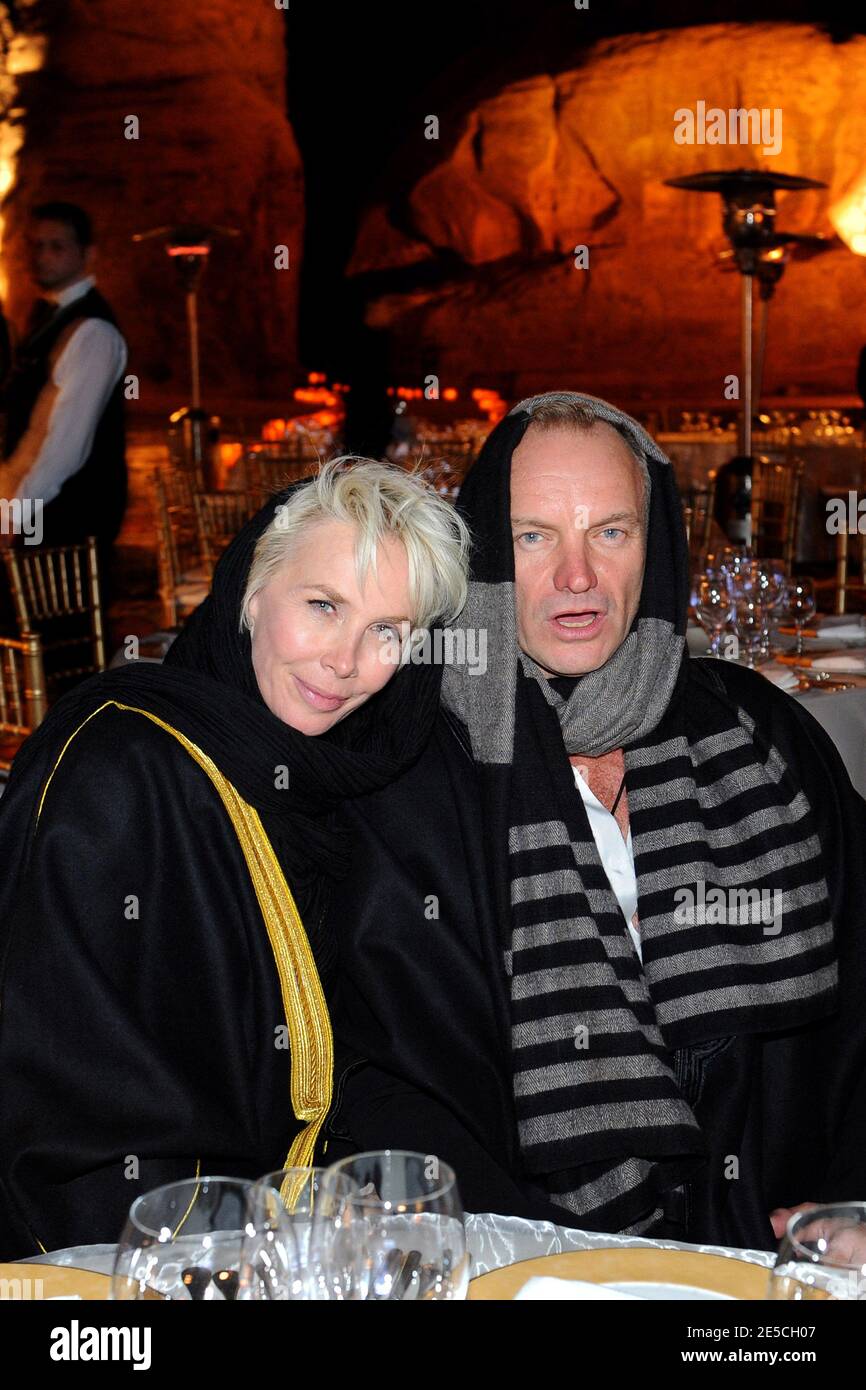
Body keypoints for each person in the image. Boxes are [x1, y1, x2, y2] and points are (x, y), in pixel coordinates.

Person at [324, 392, 866, 1251]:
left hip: (774, 1249)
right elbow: (397, 1086)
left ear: (655, 548)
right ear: (489, 551)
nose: (577, 577)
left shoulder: (763, 736)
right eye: (536, 536)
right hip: (532, 1263)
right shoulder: (416, 776)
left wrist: (847, 1208)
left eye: (610, 531)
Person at [0, 458, 469, 1258]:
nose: (345, 662)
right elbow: (56, 1102)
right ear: (252, 592)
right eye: (323, 606)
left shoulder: (361, 775)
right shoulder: (122, 768)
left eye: (387, 631)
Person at [0, 202, 128, 608]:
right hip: (40, 507)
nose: (42, 256)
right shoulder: (49, 318)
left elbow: (65, 444)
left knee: (59, 637)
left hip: (68, 515)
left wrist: (18, 513)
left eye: (56, 246)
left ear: (87, 254)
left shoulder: (92, 330)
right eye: (36, 246)